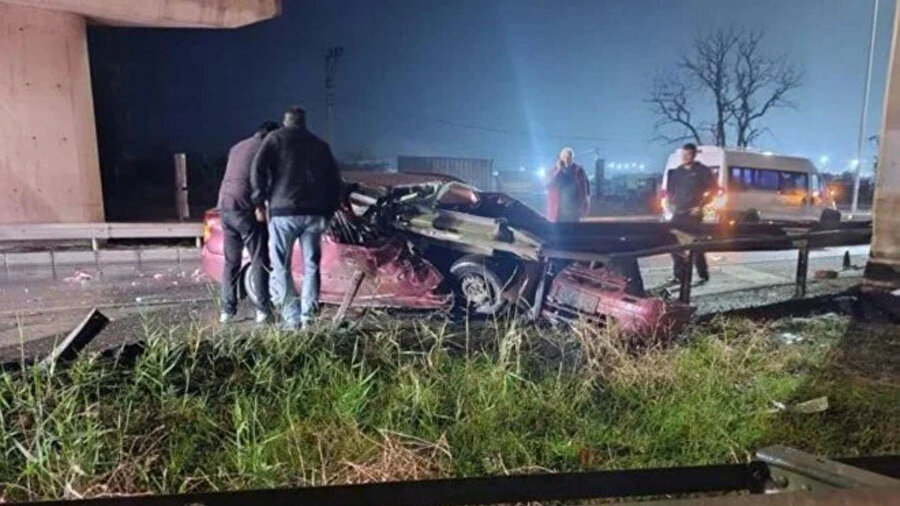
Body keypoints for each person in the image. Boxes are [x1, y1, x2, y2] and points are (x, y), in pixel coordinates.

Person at [250, 107, 341, 330]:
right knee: (311, 265)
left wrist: (258, 200)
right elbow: (335, 181)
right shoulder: (320, 145)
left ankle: (291, 318)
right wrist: (328, 212)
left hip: (284, 212)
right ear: (304, 122)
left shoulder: (274, 139)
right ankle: (308, 317)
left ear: (285, 121)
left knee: (281, 265)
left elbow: (257, 169)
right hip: (314, 214)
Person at [217, 121, 280, 324]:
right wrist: (261, 206)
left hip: (225, 207)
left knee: (231, 262)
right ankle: (262, 310)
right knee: (259, 259)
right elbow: (261, 181)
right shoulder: (264, 150)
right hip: (245, 209)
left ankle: (227, 311)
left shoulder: (237, 147)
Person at [664, 143, 716, 284]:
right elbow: (670, 192)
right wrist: (670, 203)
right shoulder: (677, 172)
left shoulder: (702, 171)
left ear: (693, 155)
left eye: (688, 154)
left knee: (694, 245)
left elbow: (714, 191)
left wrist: (701, 206)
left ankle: (702, 274)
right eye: (683, 154)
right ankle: (678, 275)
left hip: (694, 213)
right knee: (674, 242)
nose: (685, 157)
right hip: (678, 213)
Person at [546, 147, 590, 222]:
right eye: (564, 157)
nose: (566, 160)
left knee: (574, 232)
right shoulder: (553, 171)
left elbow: (587, 189)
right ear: (560, 158)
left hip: (574, 212)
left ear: (572, 158)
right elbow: (549, 185)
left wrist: (584, 206)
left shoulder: (578, 171)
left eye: (568, 157)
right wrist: (558, 170)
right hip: (558, 213)